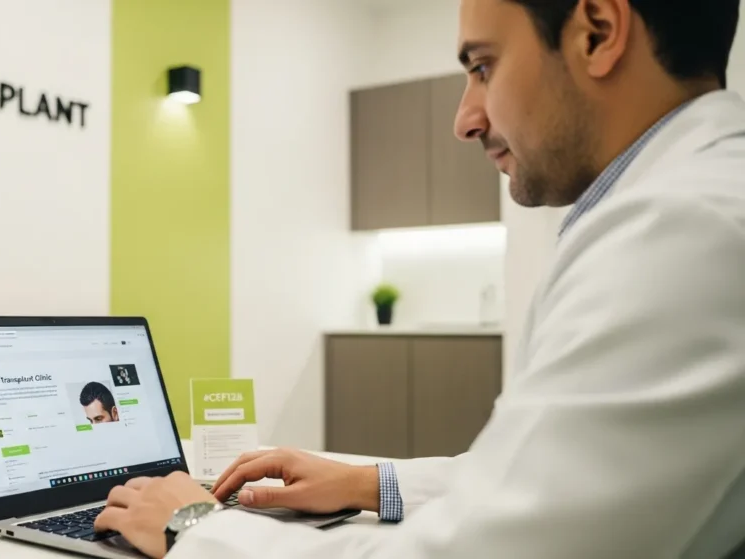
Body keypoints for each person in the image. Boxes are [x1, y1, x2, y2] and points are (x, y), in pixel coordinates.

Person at [93, 0, 745, 557]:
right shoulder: (688, 207)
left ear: (598, 31)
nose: (465, 118)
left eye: (483, 66)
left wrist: (197, 528)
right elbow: (547, 475)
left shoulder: (685, 231)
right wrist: (365, 481)